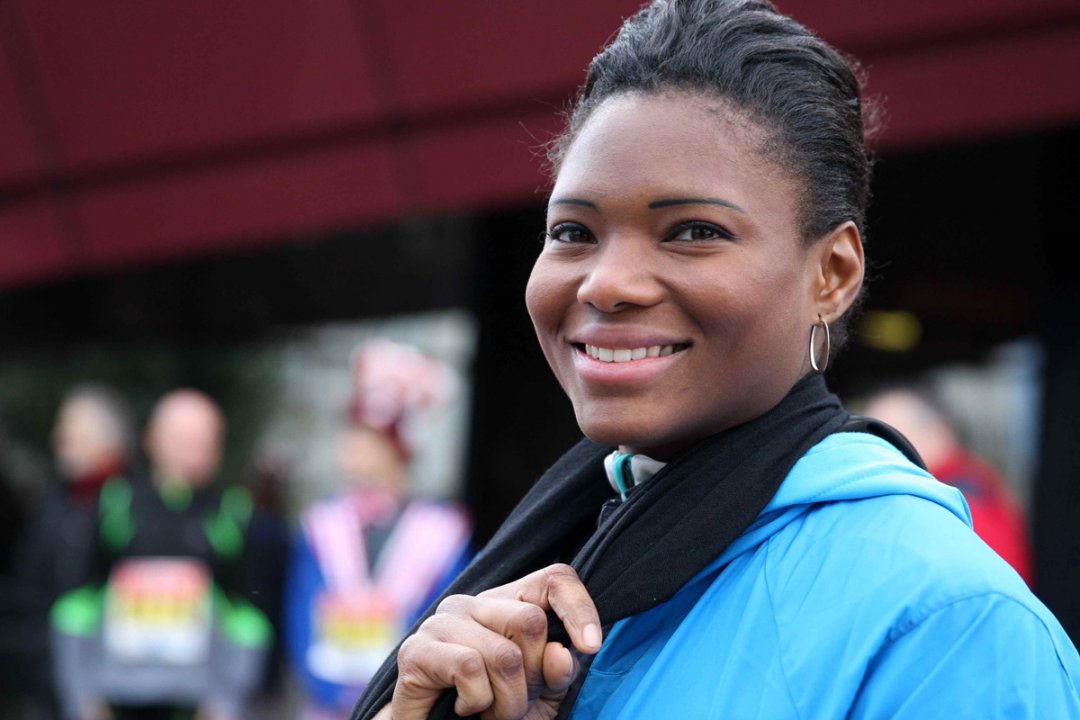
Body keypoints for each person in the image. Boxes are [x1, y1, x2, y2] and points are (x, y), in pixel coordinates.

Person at [351, 1, 1080, 718]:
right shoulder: (540, 583)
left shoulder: (950, 627)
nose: (606, 283)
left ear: (832, 275)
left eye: (693, 231)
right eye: (573, 231)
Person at [50, 389, 273, 720]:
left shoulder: (234, 513)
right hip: (118, 697)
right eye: (183, 440)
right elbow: (75, 604)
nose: (194, 454)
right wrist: (82, 698)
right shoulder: (116, 504)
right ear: (152, 438)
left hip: (200, 702)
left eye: (205, 442)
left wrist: (227, 701)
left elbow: (250, 617)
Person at [286, 340, 471, 720]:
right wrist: (327, 687)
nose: (348, 446)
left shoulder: (443, 532)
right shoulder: (323, 523)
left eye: (363, 436)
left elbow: (449, 614)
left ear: (396, 448)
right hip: (327, 704)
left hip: (408, 703)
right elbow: (302, 610)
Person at [15, 385, 135, 716]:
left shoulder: (136, 504)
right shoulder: (53, 503)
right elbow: (30, 591)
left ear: (105, 440)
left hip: (114, 693)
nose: (58, 438)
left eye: (69, 430)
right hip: (48, 686)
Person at [863, 383, 1034, 584]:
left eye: (890, 436)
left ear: (936, 431)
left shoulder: (965, 500)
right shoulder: (964, 488)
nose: (876, 451)